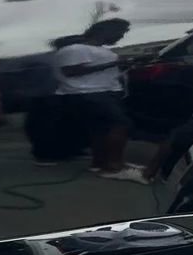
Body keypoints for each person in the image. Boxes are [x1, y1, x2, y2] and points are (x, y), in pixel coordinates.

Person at [53, 18, 143, 181]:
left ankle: (99, 163)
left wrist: (123, 65)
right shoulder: (75, 49)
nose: (120, 37)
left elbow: (98, 71)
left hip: (102, 92)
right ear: (104, 31)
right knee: (121, 124)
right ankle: (114, 166)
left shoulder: (101, 51)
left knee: (99, 129)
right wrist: (113, 64)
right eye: (119, 33)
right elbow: (70, 71)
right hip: (88, 94)